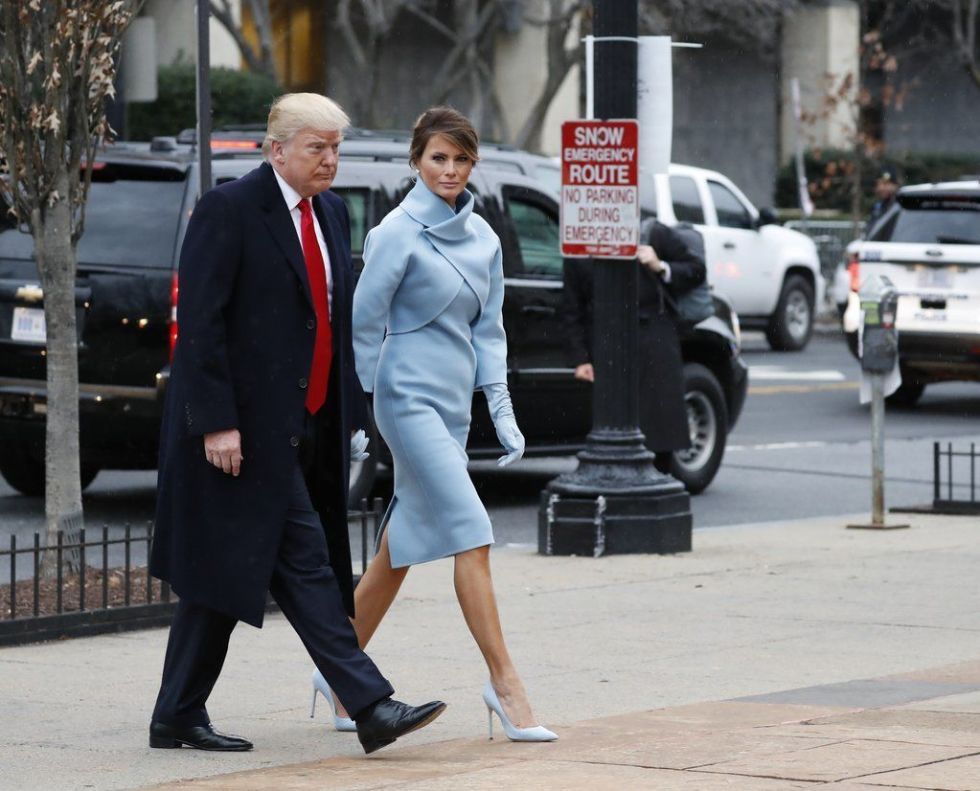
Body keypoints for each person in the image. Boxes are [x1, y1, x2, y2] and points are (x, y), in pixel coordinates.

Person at [148, 93, 446, 755]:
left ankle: (175, 712)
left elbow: (330, 323)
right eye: (318, 148)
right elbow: (199, 328)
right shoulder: (229, 211)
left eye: (336, 148)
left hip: (307, 426)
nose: (330, 160)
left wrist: (355, 419)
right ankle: (370, 703)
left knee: (226, 570)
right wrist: (215, 424)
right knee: (305, 562)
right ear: (275, 149)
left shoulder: (332, 214)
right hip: (243, 434)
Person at [317, 106, 556, 743]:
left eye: (460, 159)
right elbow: (363, 327)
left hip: (452, 404)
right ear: (417, 162)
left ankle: (340, 670)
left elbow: (490, 329)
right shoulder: (396, 232)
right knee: (470, 530)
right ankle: (505, 683)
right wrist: (361, 412)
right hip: (404, 397)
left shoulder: (484, 238)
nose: (449, 170)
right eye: (437, 158)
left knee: (398, 549)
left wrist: (501, 410)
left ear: (473, 164)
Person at [563, 219, 706, 471]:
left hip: (653, 338)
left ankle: (657, 481)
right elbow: (572, 309)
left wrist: (661, 266)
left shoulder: (651, 233)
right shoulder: (580, 241)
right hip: (606, 345)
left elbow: (696, 270)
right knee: (612, 429)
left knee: (658, 430)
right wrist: (581, 359)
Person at [866, 169, 900, 234]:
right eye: (879, 184)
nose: (881, 188)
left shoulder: (902, 206)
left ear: (895, 186)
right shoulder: (877, 206)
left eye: (886, 184)